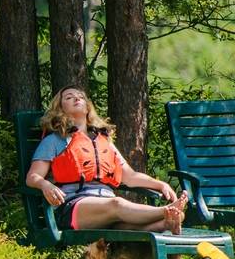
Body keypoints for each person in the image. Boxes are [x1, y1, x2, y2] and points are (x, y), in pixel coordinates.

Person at [25, 87, 188, 234]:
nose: (76, 99)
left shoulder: (103, 141)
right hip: (72, 205)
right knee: (117, 204)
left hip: (104, 203)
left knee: (128, 226)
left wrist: (161, 185)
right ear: (60, 109)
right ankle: (166, 211)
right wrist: (45, 184)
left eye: (80, 96)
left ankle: (167, 223)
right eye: (69, 97)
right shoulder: (54, 140)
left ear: (88, 107)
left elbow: (130, 177)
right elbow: (32, 177)